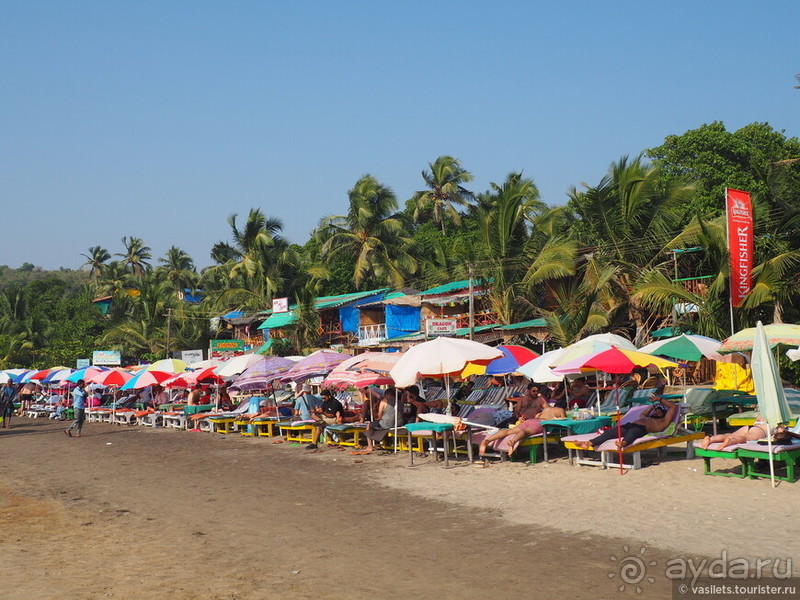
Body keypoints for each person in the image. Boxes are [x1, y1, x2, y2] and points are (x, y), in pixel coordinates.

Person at [574, 398, 678, 451]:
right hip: (629, 425)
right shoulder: (646, 416)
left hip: (642, 429)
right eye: (656, 411)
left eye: (660, 412)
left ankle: (623, 443)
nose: (657, 412)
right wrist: (653, 406)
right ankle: (588, 443)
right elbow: (645, 412)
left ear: (664, 414)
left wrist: (659, 400)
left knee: (633, 432)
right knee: (610, 432)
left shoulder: (663, 421)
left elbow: (673, 406)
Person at [361, 387, 403, 454]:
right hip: (399, 423)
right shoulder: (399, 402)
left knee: (369, 425)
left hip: (388, 424)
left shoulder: (384, 401)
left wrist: (375, 409)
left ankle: (370, 446)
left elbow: (379, 415)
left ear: (386, 395)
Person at [700, 414, 770, 450]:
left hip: (750, 426)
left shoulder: (762, 410)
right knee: (745, 438)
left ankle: (711, 439)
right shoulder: (777, 415)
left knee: (729, 435)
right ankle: (731, 441)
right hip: (762, 429)